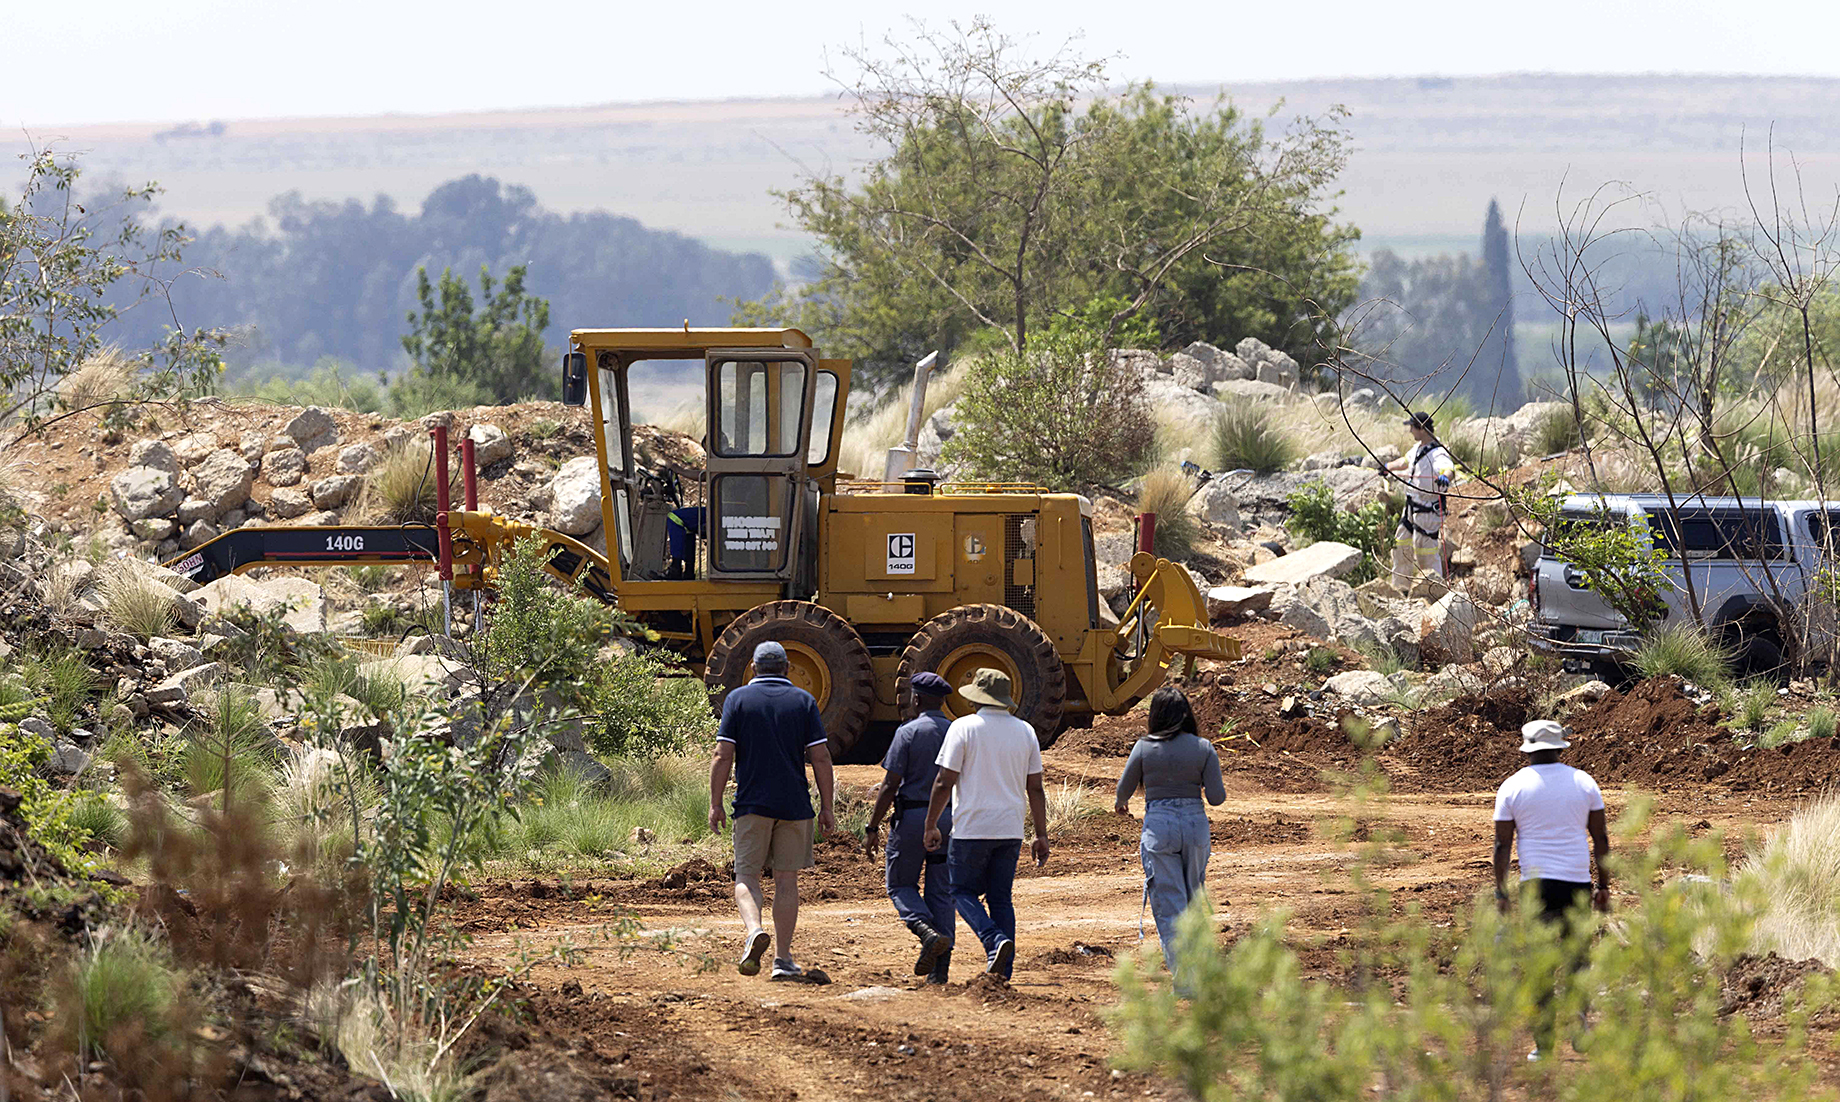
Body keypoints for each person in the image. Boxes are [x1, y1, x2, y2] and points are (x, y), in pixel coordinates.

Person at [708, 641, 837, 983]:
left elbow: (723, 756)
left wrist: (715, 802)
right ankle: (782, 958)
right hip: (795, 805)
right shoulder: (804, 701)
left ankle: (753, 931)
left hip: (751, 804)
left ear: (752, 667)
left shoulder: (737, 700)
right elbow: (820, 758)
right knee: (786, 880)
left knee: (746, 877)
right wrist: (827, 806)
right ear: (786, 669)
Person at [1492, 719, 1612, 1060]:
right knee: (1578, 957)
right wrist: (1604, 886)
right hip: (1577, 882)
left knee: (1539, 963)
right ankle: (1579, 1016)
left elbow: (1502, 847)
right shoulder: (1584, 782)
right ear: (1561, 747)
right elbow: (1600, 838)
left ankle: (1544, 1044)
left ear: (1526, 748)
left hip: (1536, 886)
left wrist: (1501, 892)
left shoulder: (1512, 787)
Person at [922, 668, 1050, 981]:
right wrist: (1041, 834)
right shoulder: (1025, 732)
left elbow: (944, 781)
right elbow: (1035, 787)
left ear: (976, 698)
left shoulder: (963, 728)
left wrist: (931, 824)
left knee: (960, 891)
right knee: (1000, 899)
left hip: (972, 828)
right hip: (1010, 829)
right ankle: (1001, 974)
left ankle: (993, 940)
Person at [1113, 686, 1226, 976]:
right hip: (1195, 825)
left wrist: (1121, 804)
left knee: (1170, 904)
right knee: (1193, 898)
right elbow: (1216, 798)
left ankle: (1186, 981)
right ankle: (1204, 972)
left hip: (1159, 827)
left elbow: (1123, 791)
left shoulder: (1143, 747)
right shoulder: (1204, 748)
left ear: (1155, 716)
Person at [863, 671, 956, 983]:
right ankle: (939, 974)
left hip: (914, 819)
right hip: (950, 821)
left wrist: (872, 826)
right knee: (941, 892)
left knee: (900, 885)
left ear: (916, 699)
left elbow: (890, 785)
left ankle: (925, 930)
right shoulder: (957, 732)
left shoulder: (908, 732)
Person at [1382, 411, 1457, 590]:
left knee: (1426, 554)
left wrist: (1445, 477)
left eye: (1412, 427)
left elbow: (1448, 469)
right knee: (1400, 546)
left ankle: (1434, 590)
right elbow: (1406, 462)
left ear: (1421, 428)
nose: (1410, 431)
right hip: (1411, 507)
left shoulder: (1438, 453)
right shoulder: (1418, 448)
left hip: (1428, 511)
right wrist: (1388, 467)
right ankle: (1402, 588)